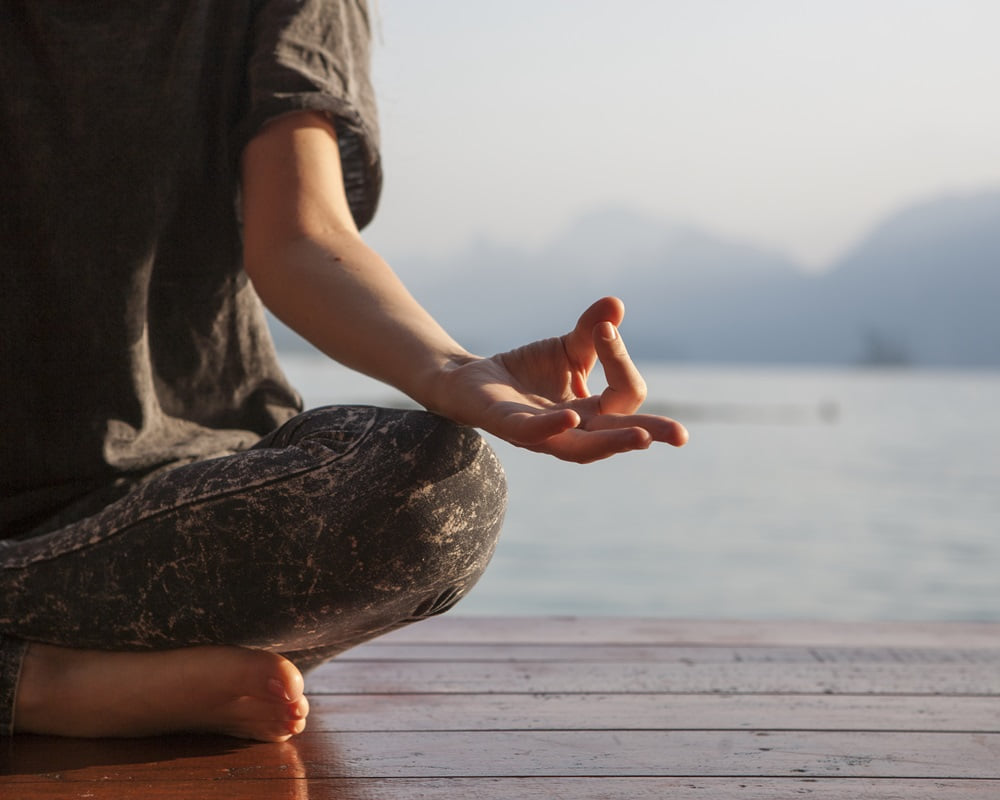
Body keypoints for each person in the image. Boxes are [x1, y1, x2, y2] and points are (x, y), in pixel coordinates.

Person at [0, 1, 687, 742]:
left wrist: (450, 371)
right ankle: (38, 682)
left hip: (174, 518)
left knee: (443, 489)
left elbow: (303, 233)